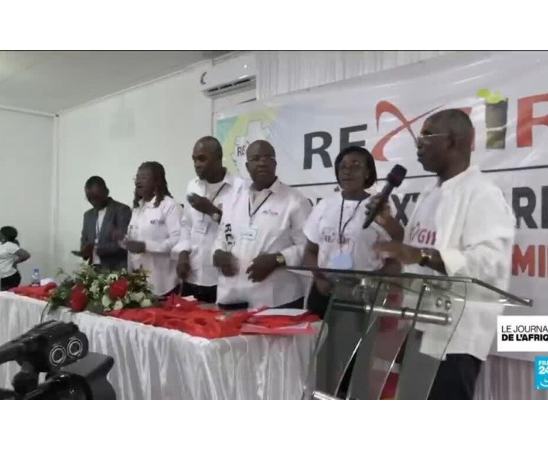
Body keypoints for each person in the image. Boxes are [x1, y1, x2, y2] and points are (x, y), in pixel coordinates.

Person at [373, 109, 516, 400]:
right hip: (418, 325)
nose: (418, 144)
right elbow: (414, 251)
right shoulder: (431, 193)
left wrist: (424, 256)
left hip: (455, 337)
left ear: (453, 141)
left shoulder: (482, 193)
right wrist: (388, 226)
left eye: (426, 136)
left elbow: (490, 263)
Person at [302, 145, 403, 318]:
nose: (347, 171)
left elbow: (395, 254)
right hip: (324, 291)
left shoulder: (378, 207)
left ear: (367, 172)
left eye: (355, 166)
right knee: (317, 335)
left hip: (362, 296)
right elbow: (310, 251)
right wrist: (319, 279)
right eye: (343, 167)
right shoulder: (324, 205)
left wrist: (372, 283)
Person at [212, 140, 312, 309]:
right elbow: (222, 235)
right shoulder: (233, 198)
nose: (262, 162)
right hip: (232, 296)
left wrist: (278, 259)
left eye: (268, 158)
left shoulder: (295, 201)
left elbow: (308, 247)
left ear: (275, 163)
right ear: (247, 166)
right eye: (256, 158)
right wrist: (218, 253)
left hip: (275, 299)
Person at [172, 136, 243, 303]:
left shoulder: (240, 188)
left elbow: (241, 228)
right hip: (192, 275)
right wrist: (183, 253)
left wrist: (212, 211)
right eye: (194, 159)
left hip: (221, 280)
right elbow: (186, 225)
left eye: (202, 158)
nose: (197, 164)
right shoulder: (193, 185)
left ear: (218, 158)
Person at [125, 162, 182, 297]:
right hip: (139, 284)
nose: (138, 181)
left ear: (156, 181)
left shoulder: (169, 205)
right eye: (137, 177)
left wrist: (146, 246)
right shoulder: (137, 208)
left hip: (164, 285)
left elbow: (178, 241)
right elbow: (134, 245)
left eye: (144, 177)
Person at [79, 176, 132, 271]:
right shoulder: (88, 215)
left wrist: (96, 248)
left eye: (96, 197)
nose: (93, 202)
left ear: (106, 192)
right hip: (93, 271)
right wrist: (84, 251)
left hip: (116, 270)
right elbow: (84, 241)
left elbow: (124, 243)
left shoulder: (122, 210)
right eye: (89, 199)